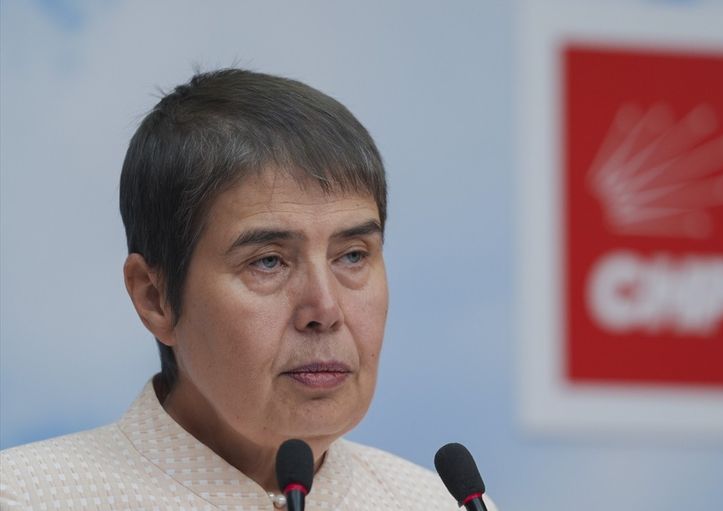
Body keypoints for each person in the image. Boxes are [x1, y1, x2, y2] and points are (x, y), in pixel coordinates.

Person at [0, 69, 497, 510]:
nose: (325, 309)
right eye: (268, 261)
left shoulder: (438, 504)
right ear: (155, 298)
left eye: (351, 256)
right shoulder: (28, 497)